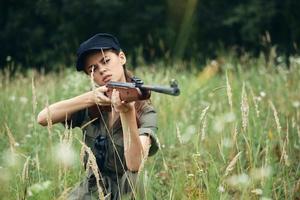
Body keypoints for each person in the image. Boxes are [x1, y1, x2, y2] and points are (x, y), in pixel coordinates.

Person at [37, 33, 159, 199]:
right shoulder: (92, 103)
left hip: (128, 188)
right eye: (93, 69)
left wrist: (127, 112)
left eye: (106, 61)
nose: (102, 70)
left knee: (134, 178)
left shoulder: (145, 111)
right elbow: (43, 118)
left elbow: (135, 164)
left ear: (121, 57)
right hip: (93, 186)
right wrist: (90, 98)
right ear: (91, 76)